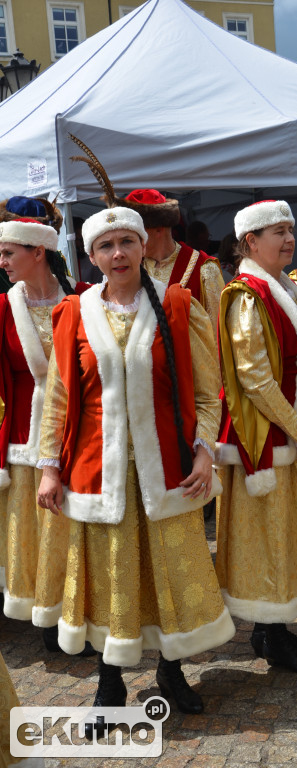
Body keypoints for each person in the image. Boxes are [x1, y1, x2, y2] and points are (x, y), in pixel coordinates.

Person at [36, 207, 235, 715]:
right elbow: (58, 397)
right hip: (96, 474)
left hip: (167, 471)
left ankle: (172, 670)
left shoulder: (177, 304)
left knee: (169, 571)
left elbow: (210, 393)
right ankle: (110, 680)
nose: (118, 253)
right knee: (110, 576)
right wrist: (48, 468)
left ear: (144, 245)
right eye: (107, 245)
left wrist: (205, 451)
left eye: (127, 241)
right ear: (92, 256)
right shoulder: (73, 313)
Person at [215, 200, 297, 675]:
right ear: (250, 242)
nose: (288, 238)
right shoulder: (248, 294)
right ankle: (271, 633)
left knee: (284, 535)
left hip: (294, 431)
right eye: (276, 231)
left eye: (290, 229)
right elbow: (254, 377)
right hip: (267, 439)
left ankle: (271, 628)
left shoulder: (285, 286)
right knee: (271, 538)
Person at [0, 197, 90, 654]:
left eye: (8, 253)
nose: (1, 262)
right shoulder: (1, 308)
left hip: (76, 431)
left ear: (38, 252)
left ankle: (76, 611)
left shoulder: (80, 300)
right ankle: (45, 617)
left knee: (71, 526)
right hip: (23, 436)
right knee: (34, 530)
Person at [69, 134, 225, 332]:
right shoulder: (127, 265)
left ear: (158, 229)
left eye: (132, 235)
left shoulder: (204, 269)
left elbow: (217, 335)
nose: (128, 244)